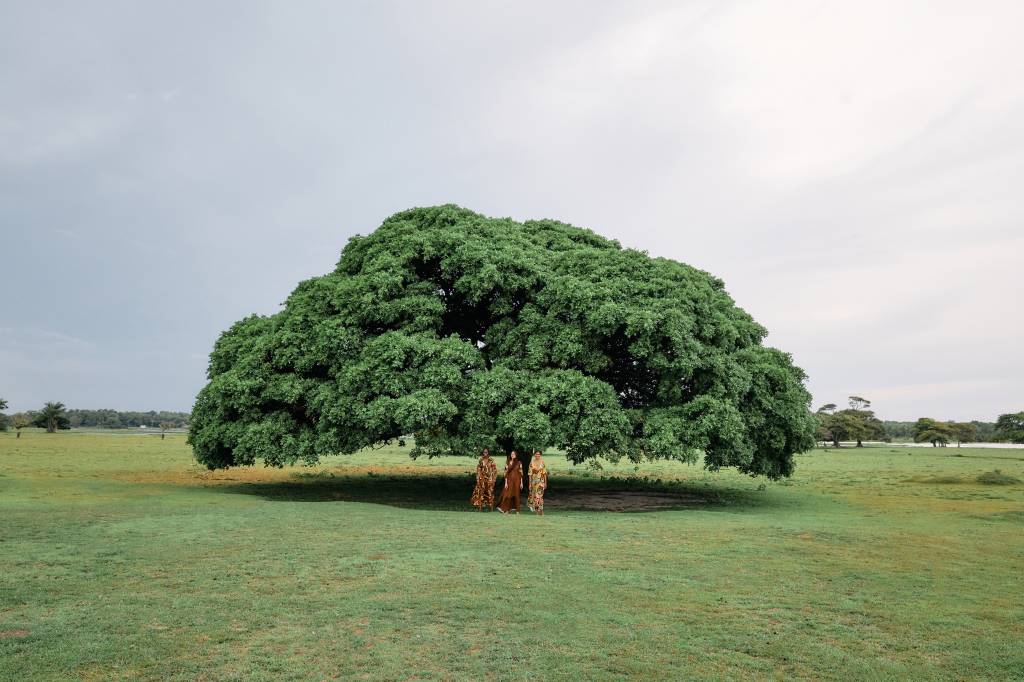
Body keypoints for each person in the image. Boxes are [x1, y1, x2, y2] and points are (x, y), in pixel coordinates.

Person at [528, 450, 548, 515]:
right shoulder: (531, 463)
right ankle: (537, 512)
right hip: (534, 482)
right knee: (535, 497)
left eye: (539, 454)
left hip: (541, 482)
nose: (538, 455)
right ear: (534, 455)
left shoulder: (542, 462)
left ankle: (541, 511)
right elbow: (530, 474)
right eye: (536, 454)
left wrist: (545, 483)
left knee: (540, 497)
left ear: (540, 455)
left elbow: (544, 473)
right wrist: (530, 483)